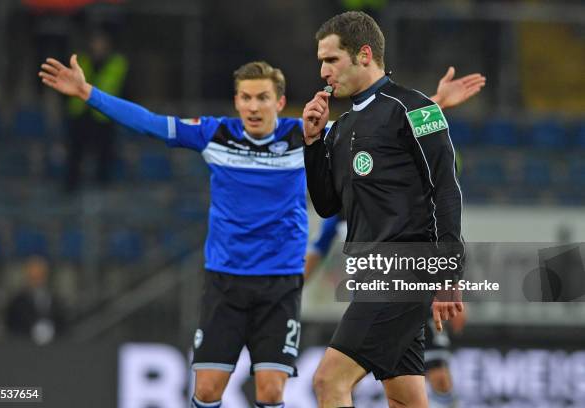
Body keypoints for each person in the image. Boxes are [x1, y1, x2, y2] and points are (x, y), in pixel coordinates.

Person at [39, 52, 482, 407]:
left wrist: (434, 105)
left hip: (279, 284)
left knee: (272, 390)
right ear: (236, 101)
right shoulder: (217, 136)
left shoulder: (305, 135)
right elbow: (152, 124)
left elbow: (376, 129)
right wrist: (87, 92)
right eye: (246, 98)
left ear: (278, 101)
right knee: (208, 389)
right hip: (225, 282)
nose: (253, 107)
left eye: (262, 98)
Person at [302, 11, 467, 408]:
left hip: (405, 271)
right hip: (370, 274)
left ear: (363, 55)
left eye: (331, 59)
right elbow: (327, 206)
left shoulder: (418, 109)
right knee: (406, 397)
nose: (323, 71)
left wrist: (448, 271)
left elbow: (446, 189)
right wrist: (312, 144)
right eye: (320, 61)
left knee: (329, 381)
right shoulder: (339, 129)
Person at [305, 215, 469, 408]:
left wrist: (450, 284)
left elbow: (444, 228)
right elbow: (318, 249)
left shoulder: (405, 196)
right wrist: (292, 289)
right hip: (373, 304)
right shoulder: (340, 209)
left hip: (414, 298)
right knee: (336, 382)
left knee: (437, 377)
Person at [65, 29, 128, 192]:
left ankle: (103, 188)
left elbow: (125, 89)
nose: (98, 46)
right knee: (75, 155)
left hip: (104, 117)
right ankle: (71, 188)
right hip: (80, 116)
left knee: (105, 156)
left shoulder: (117, 63)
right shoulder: (81, 60)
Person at [5, 255, 67, 345]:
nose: (36, 281)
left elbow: (64, 327)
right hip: (24, 348)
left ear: (45, 276)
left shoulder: (56, 301)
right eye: (33, 278)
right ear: (27, 277)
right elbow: (11, 329)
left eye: (40, 277)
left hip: (53, 350)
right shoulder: (16, 303)